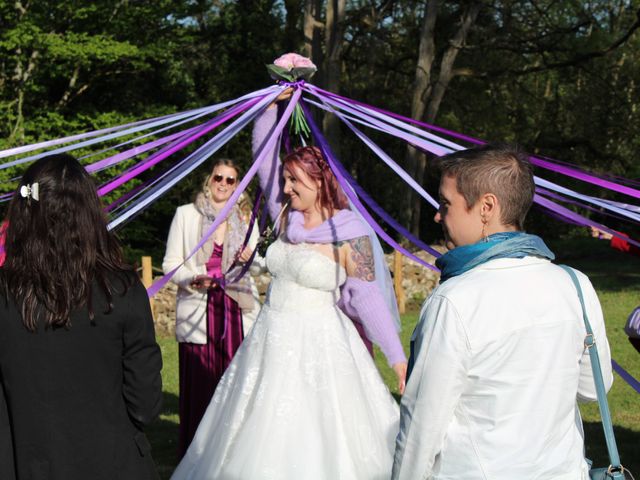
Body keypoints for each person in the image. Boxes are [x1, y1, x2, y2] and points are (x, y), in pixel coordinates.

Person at [171, 100, 407, 479]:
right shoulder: (287, 216)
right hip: (267, 339)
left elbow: (367, 297)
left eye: (295, 181)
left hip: (320, 342)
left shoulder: (352, 234)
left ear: (320, 182)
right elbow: (263, 152)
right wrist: (275, 102)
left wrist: (396, 358)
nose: (285, 187)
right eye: (285, 179)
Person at [392, 144, 613, 479]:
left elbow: (421, 427)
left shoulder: (454, 300)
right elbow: (593, 389)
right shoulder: (575, 283)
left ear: (487, 207)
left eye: (446, 203)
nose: (438, 214)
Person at [0, 153, 163, 480]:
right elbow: (145, 404)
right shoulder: (123, 290)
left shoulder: (3, 293)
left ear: (23, 213)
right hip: (110, 464)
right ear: (89, 212)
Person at [162, 158, 260, 456]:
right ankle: (198, 452)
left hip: (235, 309)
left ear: (237, 185)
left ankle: (233, 452)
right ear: (209, 179)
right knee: (203, 383)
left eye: (231, 180)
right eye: (219, 177)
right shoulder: (186, 215)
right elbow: (170, 264)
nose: (223, 184)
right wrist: (193, 277)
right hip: (199, 309)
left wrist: (248, 260)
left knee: (235, 381)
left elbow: (255, 268)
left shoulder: (245, 220)